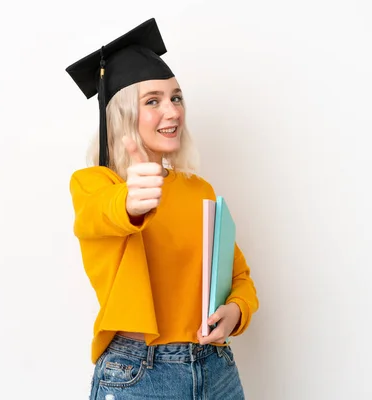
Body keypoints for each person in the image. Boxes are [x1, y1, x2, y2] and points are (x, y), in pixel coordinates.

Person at [65, 18, 259, 400]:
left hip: (216, 368)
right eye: (152, 100)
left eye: (176, 97)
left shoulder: (198, 190)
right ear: (121, 114)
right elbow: (102, 214)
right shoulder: (96, 186)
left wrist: (236, 312)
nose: (172, 111)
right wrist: (132, 201)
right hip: (139, 375)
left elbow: (240, 277)